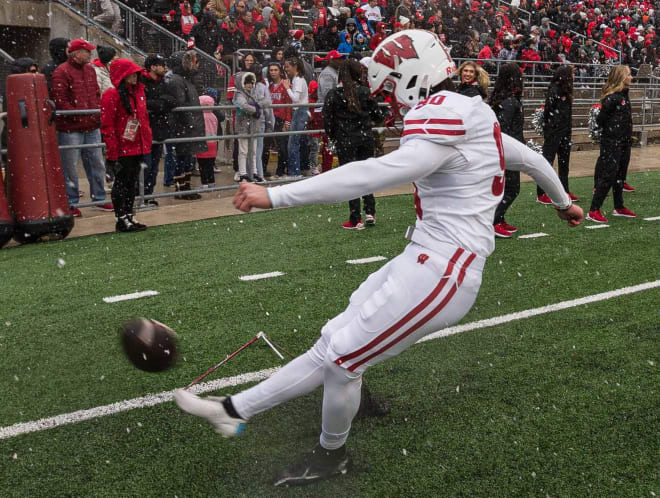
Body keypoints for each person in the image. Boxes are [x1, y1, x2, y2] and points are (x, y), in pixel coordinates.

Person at [175, 30, 583, 486]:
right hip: (425, 255)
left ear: (413, 74)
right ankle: (235, 410)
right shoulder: (474, 115)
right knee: (332, 341)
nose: (389, 99)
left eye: (390, 85)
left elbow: (376, 172)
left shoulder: (446, 116)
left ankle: (332, 454)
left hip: (447, 270)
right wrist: (564, 202)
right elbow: (530, 160)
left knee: (343, 361)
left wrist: (277, 196)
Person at [51, 38, 113, 216]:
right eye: (87, 51)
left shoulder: (88, 70)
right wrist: (84, 114)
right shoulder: (62, 72)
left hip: (89, 124)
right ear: (77, 53)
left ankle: (97, 198)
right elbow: (60, 101)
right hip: (73, 127)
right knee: (70, 167)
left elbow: (94, 94)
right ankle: (71, 202)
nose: (91, 54)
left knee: (96, 163)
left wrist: (92, 113)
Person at [323, 58, 385, 229]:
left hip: (346, 140)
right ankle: (370, 211)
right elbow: (378, 116)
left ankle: (355, 217)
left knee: (350, 178)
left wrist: (335, 135)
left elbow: (327, 120)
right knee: (367, 175)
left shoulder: (334, 94)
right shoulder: (365, 92)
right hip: (364, 138)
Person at [100, 59, 152, 232]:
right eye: (132, 73)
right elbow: (108, 126)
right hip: (124, 147)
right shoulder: (112, 96)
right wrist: (112, 152)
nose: (136, 76)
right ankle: (121, 216)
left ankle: (128, 214)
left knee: (132, 183)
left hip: (136, 145)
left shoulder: (137, 93)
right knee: (123, 182)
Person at [587, 65, 637, 223]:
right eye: (628, 75)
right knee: (608, 175)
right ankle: (594, 210)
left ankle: (619, 206)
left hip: (624, 142)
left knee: (620, 176)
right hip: (612, 142)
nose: (631, 77)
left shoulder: (624, 95)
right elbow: (601, 120)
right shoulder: (613, 98)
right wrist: (613, 133)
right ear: (622, 77)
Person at [165, 50, 207, 200]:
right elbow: (181, 105)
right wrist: (189, 122)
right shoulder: (177, 80)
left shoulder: (186, 79)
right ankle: (180, 188)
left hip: (189, 126)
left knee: (187, 158)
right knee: (182, 157)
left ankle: (186, 187)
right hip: (183, 127)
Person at [489, 62, 524, 238]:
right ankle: (494, 221)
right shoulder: (509, 102)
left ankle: (499, 219)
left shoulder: (508, 99)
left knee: (507, 188)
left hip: (506, 150)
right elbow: (505, 129)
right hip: (506, 151)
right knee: (511, 188)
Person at [537, 65, 578, 205]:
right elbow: (548, 111)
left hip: (565, 131)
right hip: (554, 132)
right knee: (547, 162)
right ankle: (541, 193)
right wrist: (552, 128)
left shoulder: (566, 90)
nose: (574, 75)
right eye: (572, 73)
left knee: (564, 162)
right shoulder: (554, 89)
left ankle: (564, 190)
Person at [141, 55, 177, 205]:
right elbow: (143, 102)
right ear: (153, 67)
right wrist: (160, 104)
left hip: (159, 130)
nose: (165, 68)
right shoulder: (141, 82)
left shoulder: (164, 83)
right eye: (161, 65)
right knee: (145, 166)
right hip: (145, 130)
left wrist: (158, 104)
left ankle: (148, 195)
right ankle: (140, 195)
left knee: (154, 166)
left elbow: (172, 100)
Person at [282, 56, 308, 178]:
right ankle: (295, 171)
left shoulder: (298, 79)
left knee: (293, 143)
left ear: (295, 66)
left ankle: (295, 172)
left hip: (300, 111)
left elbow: (296, 99)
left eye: (288, 66)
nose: (286, 69)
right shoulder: (298, 79)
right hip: (299, 111)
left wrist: (287, 88)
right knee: (294, 143)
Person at [233, 71, 260, 182]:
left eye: (251, 82)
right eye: (247, 82)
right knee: (243, 151)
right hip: (243, 126)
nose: (249, 85)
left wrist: (257, 107)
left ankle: (254, 172)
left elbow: (262, 102)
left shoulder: (254, 93)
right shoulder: (239, 94)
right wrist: (255, 109)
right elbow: (243, 105)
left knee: (253, 151)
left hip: (253, 126)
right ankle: (243, 173)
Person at [267, 62, 290, 178]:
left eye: (275, 70)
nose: (273, 72)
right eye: (271, 70)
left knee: (282, 146)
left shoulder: (285, 85)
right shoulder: (270, 86)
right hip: (272, 119)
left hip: (281, 119)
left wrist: (287, 121)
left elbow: (288, 104)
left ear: (280, 71)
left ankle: (280, 171)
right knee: (277, 146)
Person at [196, 94, 219, 188]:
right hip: (213, 142)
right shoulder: (213, 116)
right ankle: (212, 181)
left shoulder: (199, 117)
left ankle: (204, 182)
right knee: (210, 164)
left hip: (203, 142)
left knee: (202, 164)